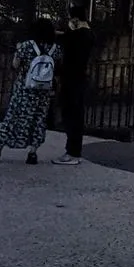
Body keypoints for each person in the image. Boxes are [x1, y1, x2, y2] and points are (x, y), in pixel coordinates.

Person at [0, 23, 57, 165]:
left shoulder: (26, 46)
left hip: (24, 88)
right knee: (38, 119)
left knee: (12, 117)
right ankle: (32, 153)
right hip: (43, 91)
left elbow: (15, 64)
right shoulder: (55, 48)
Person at [51, 12, 95, 166]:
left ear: (76, 20)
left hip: (72, 80)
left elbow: (63, 39)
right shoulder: (87, 35)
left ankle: (72, 152)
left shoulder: (78, 37)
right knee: (74, 115)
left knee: (71, 115)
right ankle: (73, 151)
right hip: (78, 79)